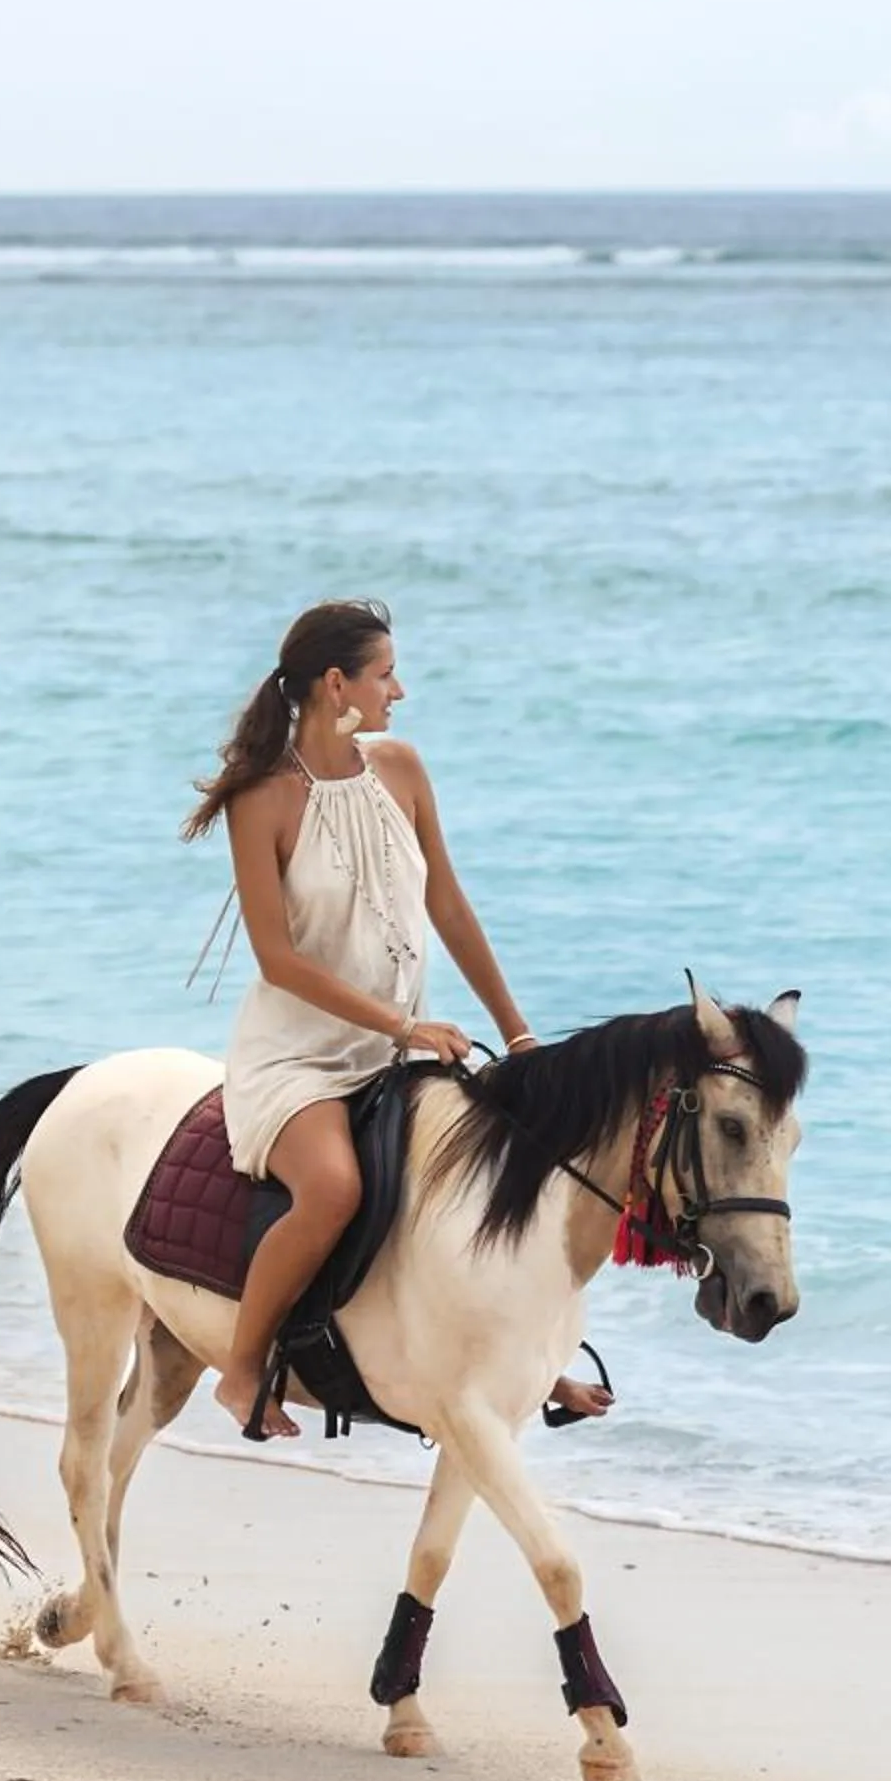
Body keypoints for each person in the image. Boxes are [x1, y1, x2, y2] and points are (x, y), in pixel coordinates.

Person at [183, 598, 606, 1438]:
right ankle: (240, 1370)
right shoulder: (261, 801)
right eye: (385, 675)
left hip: (391, 1047)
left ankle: (526, 1357)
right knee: (335, 1189)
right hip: (298, 1059)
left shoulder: (402, 770)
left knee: (489, 1168)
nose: (399, 691)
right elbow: (278, 959)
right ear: (336, 683)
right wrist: (404, 1026)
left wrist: (517, 1032)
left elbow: (447, 903)